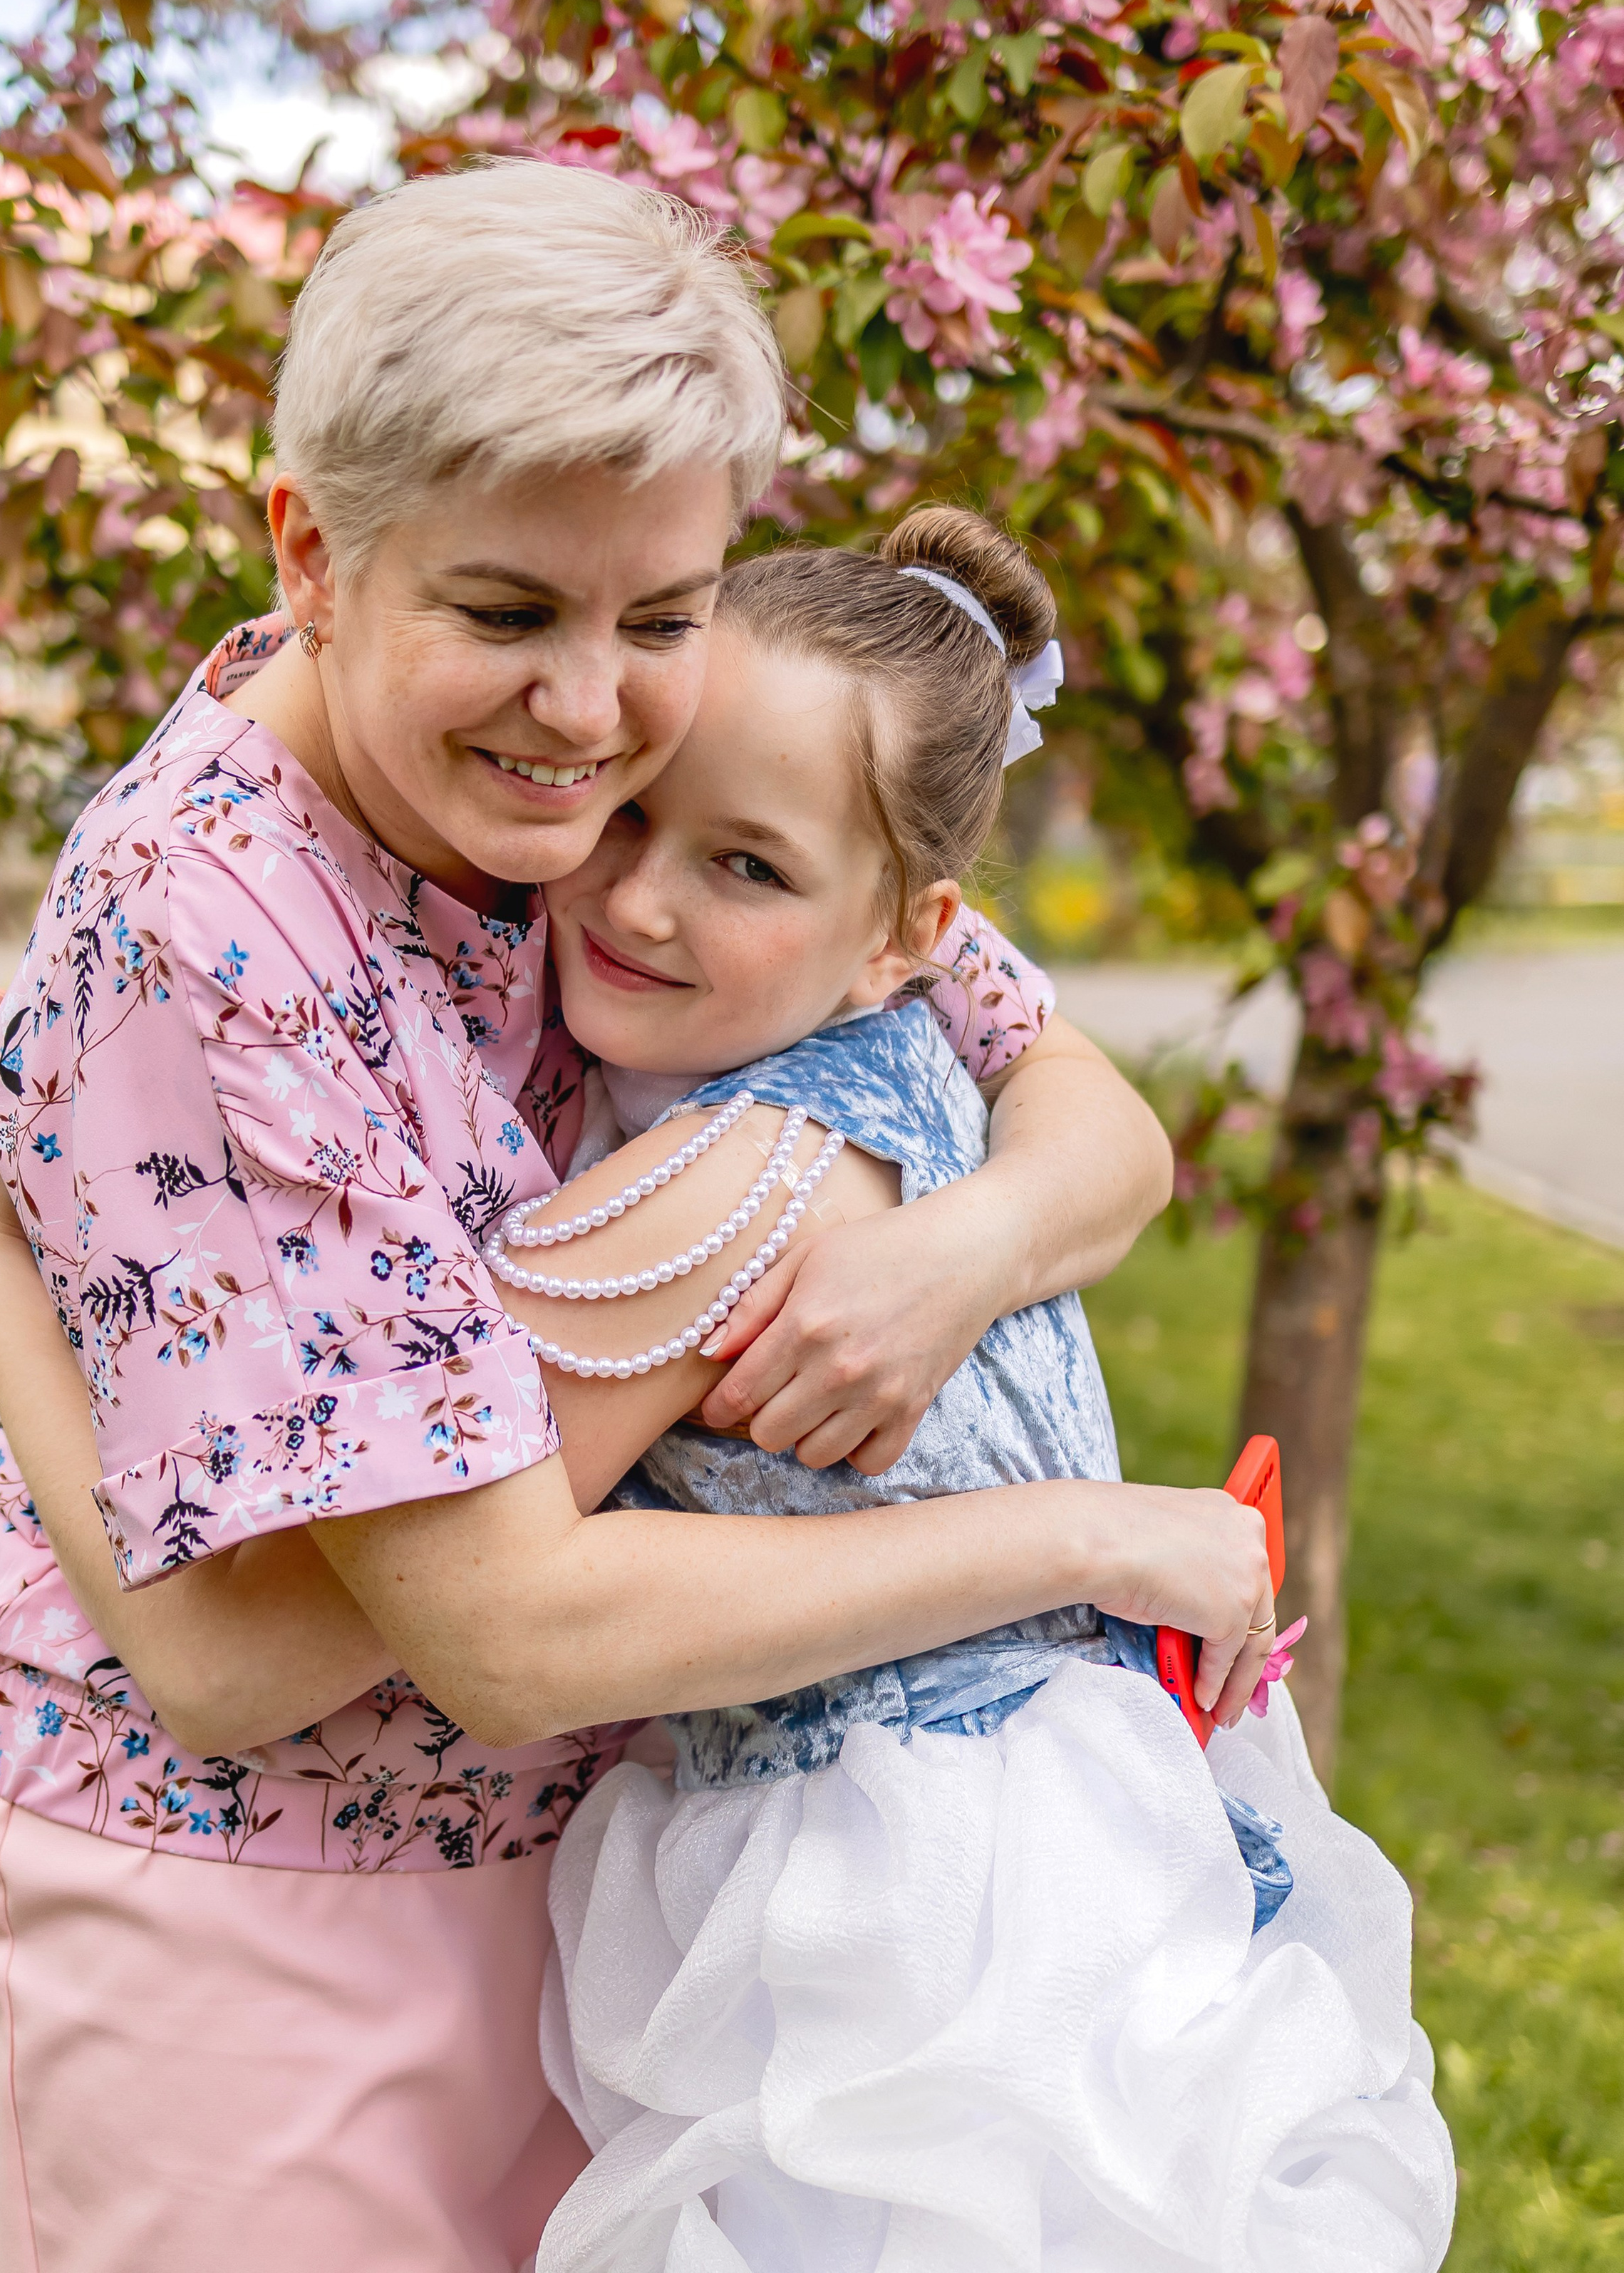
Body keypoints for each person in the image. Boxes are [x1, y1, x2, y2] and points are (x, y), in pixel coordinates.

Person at [0, 163, 1271, 2273]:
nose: (588, 711)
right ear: (314, 553)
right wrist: (1100, 1541)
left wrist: (962, 1249)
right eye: (508, 615)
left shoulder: (645, 797)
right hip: (232, 1893)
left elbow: (1071, 1096)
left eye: (659, 614)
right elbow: (405, 1645)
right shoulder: (231, 938)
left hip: (578, 1864)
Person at [457, 511, 1454, 2272]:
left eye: (745, 867)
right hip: (1070, 1807)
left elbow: (435, 1535)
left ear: (901, 933)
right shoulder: (907, 1039)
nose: (634, 897)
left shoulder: (717, 1190)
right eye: (624, 816)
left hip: (901, 1884)